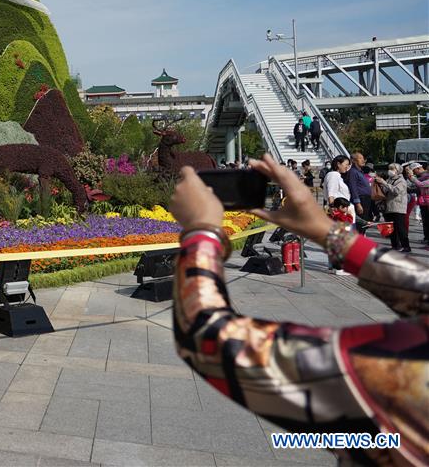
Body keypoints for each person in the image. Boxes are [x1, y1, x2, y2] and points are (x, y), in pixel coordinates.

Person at [169, 154, 428, 466]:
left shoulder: (405, 375)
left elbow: (208, 337)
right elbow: (421, 290)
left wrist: (201, 232)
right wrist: (322, 229)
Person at [373, 163, 411, 253]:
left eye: (392, 169)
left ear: (398, 170)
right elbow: (386, 190)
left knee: (400, 228)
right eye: (389, 169)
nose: (390, 171)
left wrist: (384, 183)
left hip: (398, 207)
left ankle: (406, 246)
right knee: (390, 228)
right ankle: (395, 245)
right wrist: (380, 184)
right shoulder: (390, 179)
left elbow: (395, 191)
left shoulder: (401, 181)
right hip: (388, 207)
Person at [346, 153, 373, 233]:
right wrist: (357, 203)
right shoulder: (353, 172)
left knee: (364, 224)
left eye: (363, 158)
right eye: (360, 158)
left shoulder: (360, 171)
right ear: (354, 161)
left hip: (366, 199)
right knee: (360, 225)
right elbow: (353, 188)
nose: (363, 160)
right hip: (361, 200)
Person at [407, 163, 429, 244]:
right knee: (425, 221)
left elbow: (420, 185)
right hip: (423, 201)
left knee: (427, 221)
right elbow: (417, 183)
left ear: (418, 168)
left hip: (426, 202)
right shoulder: (423, 176)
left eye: (414, 170)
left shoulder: (425, 176)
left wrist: (411, 177)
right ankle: (426, 238)